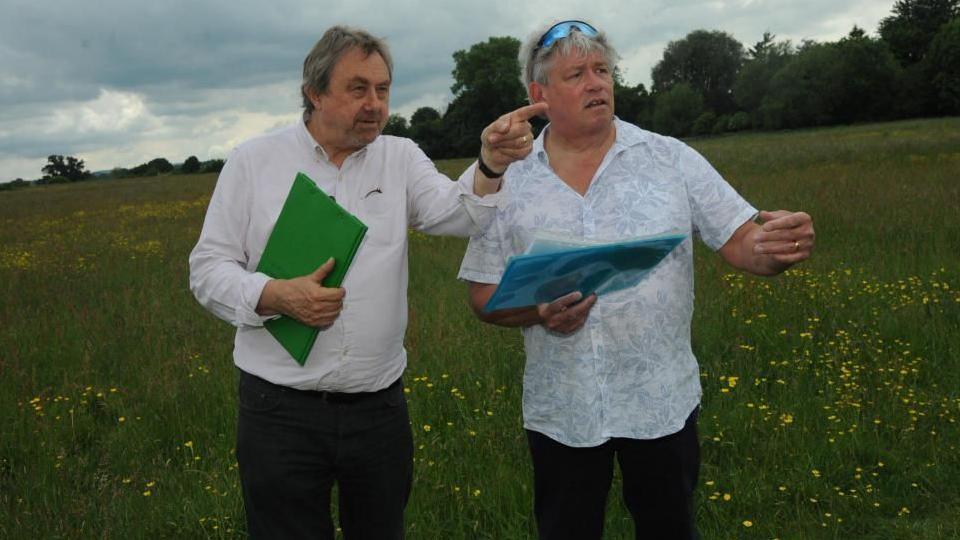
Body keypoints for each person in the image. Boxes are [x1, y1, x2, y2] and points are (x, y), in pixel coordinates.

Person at [458, 20, 815, 540]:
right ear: (539, 95)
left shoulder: (669, 158)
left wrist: (779, 246)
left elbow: (743, 242)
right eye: (576, 74)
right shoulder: (507, 179)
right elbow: (482, 296)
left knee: (670, 528)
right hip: (563, 411)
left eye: (602, 70)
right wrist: (538, 313)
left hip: (661, 403)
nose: (596, 83)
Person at [188, 25, 542, 540]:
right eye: (358, 89)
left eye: (382, 89)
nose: (375, 104)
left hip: (378, 411)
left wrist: (489, 162)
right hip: (278, 411)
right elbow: (208, 267)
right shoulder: (253, 162)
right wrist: (273, 295)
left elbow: (456, 214)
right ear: (314, 92)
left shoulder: (399, 156)